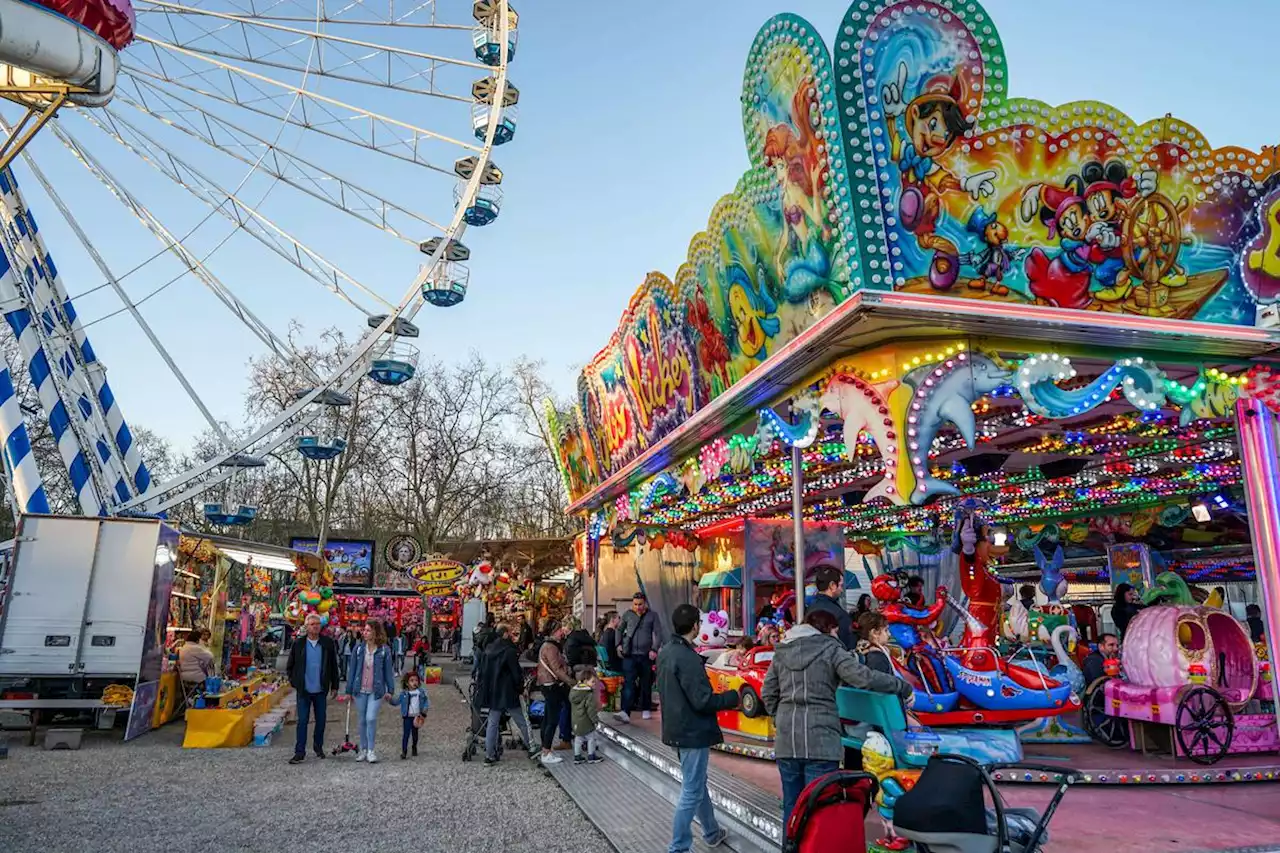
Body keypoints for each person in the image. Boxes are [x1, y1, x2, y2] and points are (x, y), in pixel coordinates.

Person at [764, 609, 914, 831]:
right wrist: (902, 686)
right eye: (835, 630)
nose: (837, 635)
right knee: (820, 807)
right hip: (821, 741)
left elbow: (768, 693)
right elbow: (863, 677)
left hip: (787, 740)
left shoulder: (782, 652)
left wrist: (781, 717)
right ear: (827, 629)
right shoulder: (831, 650)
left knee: (792, 806)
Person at [657, 603, 737, 852]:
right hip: (692, 731)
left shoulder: (666, 651)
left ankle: (712, 832)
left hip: (676, 727)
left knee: (697, 784)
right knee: (692, 790)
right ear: (695, 626)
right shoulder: (688, 657)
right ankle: (678, 847)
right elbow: (703, 700)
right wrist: (731, 698)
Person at [478, 622, 537, 764]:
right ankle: (532, 747)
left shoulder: (489, 650)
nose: (511, 634)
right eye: (509, 632)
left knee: (492, 722)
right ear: (505, 633)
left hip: (493, 691)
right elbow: (515, 673)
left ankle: (489, 754)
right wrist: (521, 688)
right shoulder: (509, 651)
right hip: (508, 691)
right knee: (521, 720)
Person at [286, 613, 340, 765]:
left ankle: (318, 747)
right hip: (304, 689)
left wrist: (334, 685)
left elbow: (333, 666)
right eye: (312, 624)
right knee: (302, 720)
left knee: (321, 720)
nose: (315, 626)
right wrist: (294, 681)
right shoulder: (299, 644)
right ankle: (299, 752)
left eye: (317, 624)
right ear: (306, 626)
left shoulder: (327, 643)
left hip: (321, 688)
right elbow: (290, 666)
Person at [346, 620, 396, 763]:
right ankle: (363, 748)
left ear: (375, 632)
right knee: (362, 720)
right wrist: (349, 690)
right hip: (359, 689)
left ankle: (371, 750)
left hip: (376, 690)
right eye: (364, 630)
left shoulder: (384, 650)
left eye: (368, 630)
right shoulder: (358, 649)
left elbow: (388, 672)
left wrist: (390, 690)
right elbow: (352, 670)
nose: (365, 633)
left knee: (371, 718)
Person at [617, 592, 661, 723]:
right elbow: (619, 629)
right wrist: (618, 644)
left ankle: (646, 708)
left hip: (646, 655)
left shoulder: (653, 616)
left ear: (645, 603)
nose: (638, 607)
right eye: (635, 604)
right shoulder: (627, 615)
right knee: (628, 683)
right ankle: (625, 711)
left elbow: (658, 633)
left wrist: (654, 649)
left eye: (640, 604)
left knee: (646, 683)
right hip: (629, 654)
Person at [536, 620, 574, 765]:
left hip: (547, 684)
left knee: (548, 717)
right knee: (552, 719)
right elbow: (556, 668)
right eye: (560, 630)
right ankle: (546, 751)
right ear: (554, 631)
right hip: (551, 684)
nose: (562, 632)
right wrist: (571, 682)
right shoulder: (551, 647)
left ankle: (545, 748)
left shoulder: (548, 645)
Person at [808, 565, 856, 650]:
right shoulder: (838, 613)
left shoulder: (809, 609)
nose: (841, 590)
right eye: (841, 585)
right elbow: (847, 644)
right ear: (832, 585)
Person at [569, 664, 603, 765]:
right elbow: (591, 710)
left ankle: (577, 756)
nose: (594, 684)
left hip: (576, 721)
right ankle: (591, 756)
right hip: (586, 721)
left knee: (578, 739)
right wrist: (595, 721)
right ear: (585, 681)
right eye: (592, 682)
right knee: (591, 738)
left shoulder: (574, 691)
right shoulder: (588, 694)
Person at [398, 671, 429, 760]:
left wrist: (424, 710)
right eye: (411, 680)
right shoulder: (404, 693)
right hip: (407, 716)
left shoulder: (421, 692)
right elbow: (397, 702)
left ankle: (414, 746)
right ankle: (404, 751)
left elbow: (426, 701)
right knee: (406, 734)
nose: (414, 682)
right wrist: (390, 699)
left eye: (416, 680)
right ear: (407, 683)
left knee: (415, 734)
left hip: (417, 716)